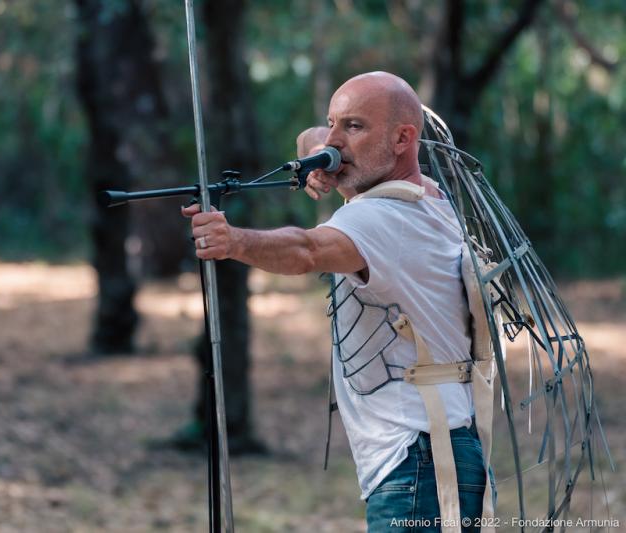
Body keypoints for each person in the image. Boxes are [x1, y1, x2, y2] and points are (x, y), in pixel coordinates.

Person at [181, 71, 493, 532]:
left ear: (403, 138)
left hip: (419, 458)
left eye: (354, 126)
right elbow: (320, 141)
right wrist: (320, 153)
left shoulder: (381, 218)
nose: (334, 139)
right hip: (439, 447)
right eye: (332, 122)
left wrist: (233, 241)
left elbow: (307, 250)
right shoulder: (428, 195)